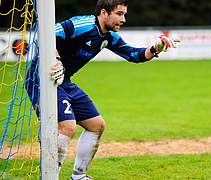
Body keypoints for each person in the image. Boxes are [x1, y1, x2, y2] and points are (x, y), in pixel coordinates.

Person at [25, 0, 179, 179]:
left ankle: (79, 176)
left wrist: (155, 48)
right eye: (120, 14)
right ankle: (50, 176)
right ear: (104, 13)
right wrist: (56, 59)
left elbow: (133, 55)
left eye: (124, 15)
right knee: (67, 126)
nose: (123, 19)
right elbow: (47, 33)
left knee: (96, 126)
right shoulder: (83, 24)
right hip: (41, 78)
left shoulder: (109, 37)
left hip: (64, 81)